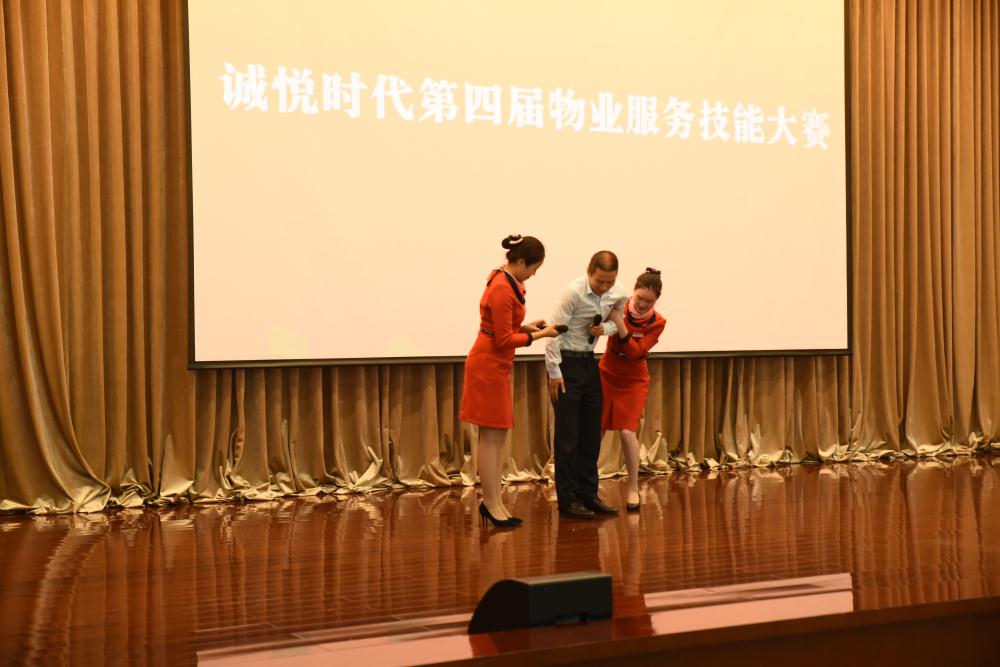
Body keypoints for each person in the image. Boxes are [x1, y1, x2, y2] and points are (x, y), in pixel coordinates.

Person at [461, 235, 562, 528]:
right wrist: (542, 335)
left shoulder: (506, 280)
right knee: (491, 437)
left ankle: (495, 501)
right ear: (520, 262)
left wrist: (527, 327)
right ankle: (491, 502)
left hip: (496, 363)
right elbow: (504, 339)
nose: (533, 274)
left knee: (498, 435)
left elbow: (501, 327)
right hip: (487, 364)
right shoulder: (502, 287)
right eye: (533, 268)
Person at [546, 251, 627, 519]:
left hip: (590, 363)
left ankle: (588, 494)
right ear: (589, 272)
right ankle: (568, 499)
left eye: (609, 282)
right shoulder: (573, 293)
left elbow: (618, 322)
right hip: (566, 363)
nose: (604, 287)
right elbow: (554, 333)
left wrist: (606, 330)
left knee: (591, 433)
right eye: (599, 281)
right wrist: (554, 372)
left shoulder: (619, 293)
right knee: (568, 436)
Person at [600, 268, 666, 512]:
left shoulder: (658, 322)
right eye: (640, 298)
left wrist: (620, 324)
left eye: (649, 301)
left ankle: (633, 487)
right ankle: (587, 482)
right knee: (597, 428)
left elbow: (637, 352)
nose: (643, 304)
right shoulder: (617, 305)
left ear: (656, 300)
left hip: (634, 378)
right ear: (633, 291)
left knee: (627, 432)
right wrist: (615, 320)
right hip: (608, 372)